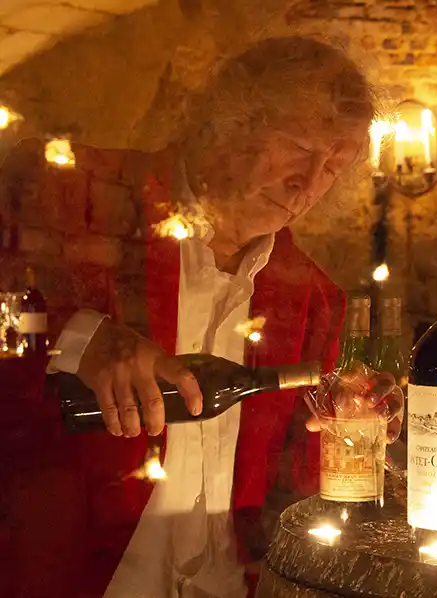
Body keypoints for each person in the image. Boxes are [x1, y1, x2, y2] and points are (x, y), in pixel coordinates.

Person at [5, 37, 375, 597]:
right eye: (299, 146)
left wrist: (355, 434)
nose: (309, 183)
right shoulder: (78, 199)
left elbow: (295, 492)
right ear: (228, 118)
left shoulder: (313, 299)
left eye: (334, 166)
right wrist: (77, 340)